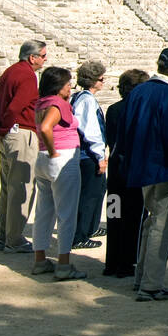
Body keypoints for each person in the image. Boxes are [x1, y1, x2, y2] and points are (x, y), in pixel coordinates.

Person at [121, 47, 168, 300]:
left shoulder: (139, 91)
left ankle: (142, 276)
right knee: (162, 227)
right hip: (166, 169)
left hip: (143, 167)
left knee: (151, 222)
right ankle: (151, 284)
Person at [0, 40, 48, 253]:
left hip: (8, 134)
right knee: (22, 187)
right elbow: (16, 106)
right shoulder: (26, 75)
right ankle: (14, 239)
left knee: (7, 187)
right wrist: (2, 128)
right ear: (32, 57)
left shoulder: (10, 71)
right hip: (21, 133)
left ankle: (3, 234)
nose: (44, 59)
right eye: (42, 55)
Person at [32, 66, 86, 280]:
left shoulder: (41, 102)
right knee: (66, 214)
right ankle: (64, 263)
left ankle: (40, 259)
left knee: (44, 212)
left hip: (43, 159)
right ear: (58, 86)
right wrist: (54, 150)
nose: (70, 87)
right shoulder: (57, 103)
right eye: (67, 84)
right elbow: (46, 128)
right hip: (61, 157)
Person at [103, 68, 149, 278]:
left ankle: (112, 261)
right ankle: (128, 261)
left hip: (115, 172)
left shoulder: (113, 110)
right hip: (132, 171)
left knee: (114, 215)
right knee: (133, 217)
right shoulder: (140, 111)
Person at [70, 61, 108, 249]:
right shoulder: (86, 100)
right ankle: (80, 235)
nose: (103, 82)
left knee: (98, 191)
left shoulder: (81, 97)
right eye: (101, 79)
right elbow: (90, 130)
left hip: (87, 154)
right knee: (88, 195)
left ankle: (91, 227)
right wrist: (99, 156)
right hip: (88, 155)